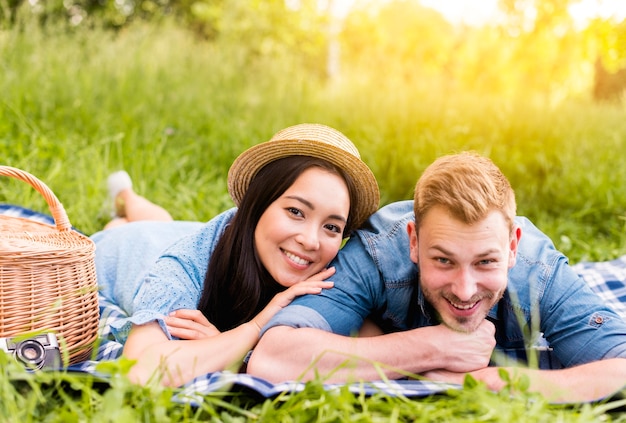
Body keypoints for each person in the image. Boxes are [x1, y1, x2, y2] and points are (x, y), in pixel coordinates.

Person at [247, 151, 626, 403]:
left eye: (485, 263)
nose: (464, 290)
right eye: (444, 261)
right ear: (414, 242)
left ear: (512, 246)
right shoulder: (377, 255)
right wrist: (433, 347)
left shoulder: (538, 273)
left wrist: (490, 382)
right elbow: (272, 359)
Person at [91, 123, 380, 387]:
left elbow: (373, 342)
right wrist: (253, 329)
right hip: (132, 250)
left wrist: (232, 351)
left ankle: (125, 200)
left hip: (178, 232)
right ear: (257, 204)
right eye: (295, 212)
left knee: (163, 222)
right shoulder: (185, 264)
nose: (310, 241)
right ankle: (124, 196)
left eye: (331, 226)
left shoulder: (328, 277)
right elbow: (140, 370)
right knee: (135, 229)